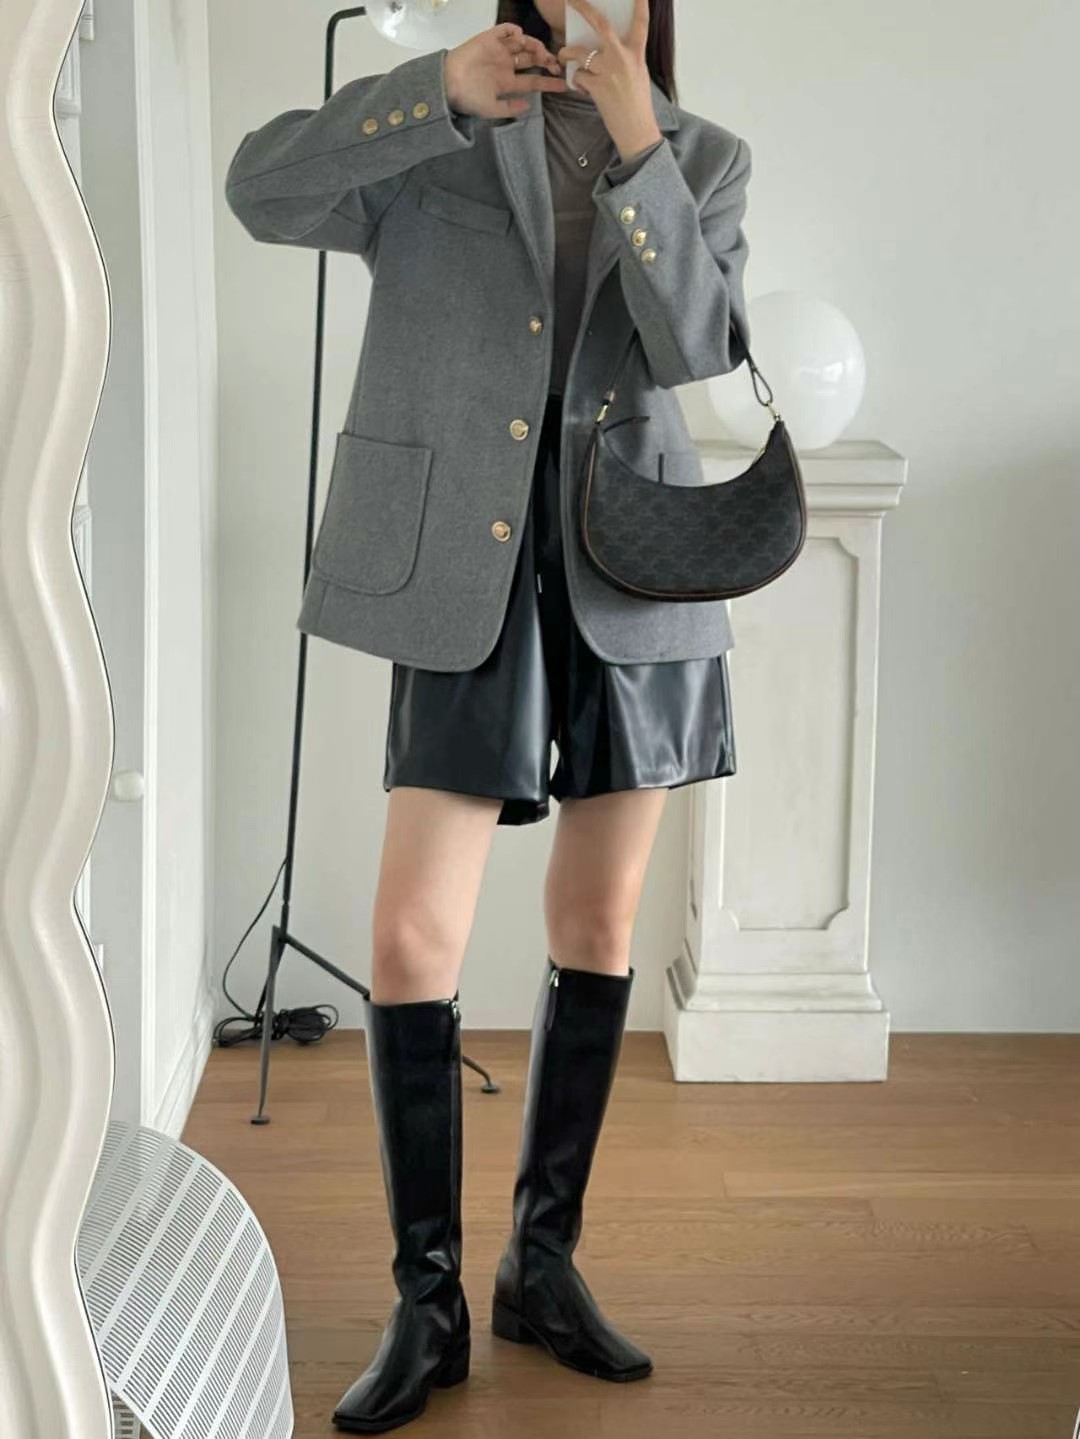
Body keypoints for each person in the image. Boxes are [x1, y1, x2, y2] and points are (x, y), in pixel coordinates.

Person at [225, 1, 752, 1429]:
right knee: (413, 936)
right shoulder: (444, 125)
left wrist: (639, 148)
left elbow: (699, 352)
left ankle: (542, 1266)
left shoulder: (704, 157)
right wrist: (428, 92)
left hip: (632, 569)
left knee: (596, 924)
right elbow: (261, 191)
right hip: (463, 564)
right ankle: (428, 1302)